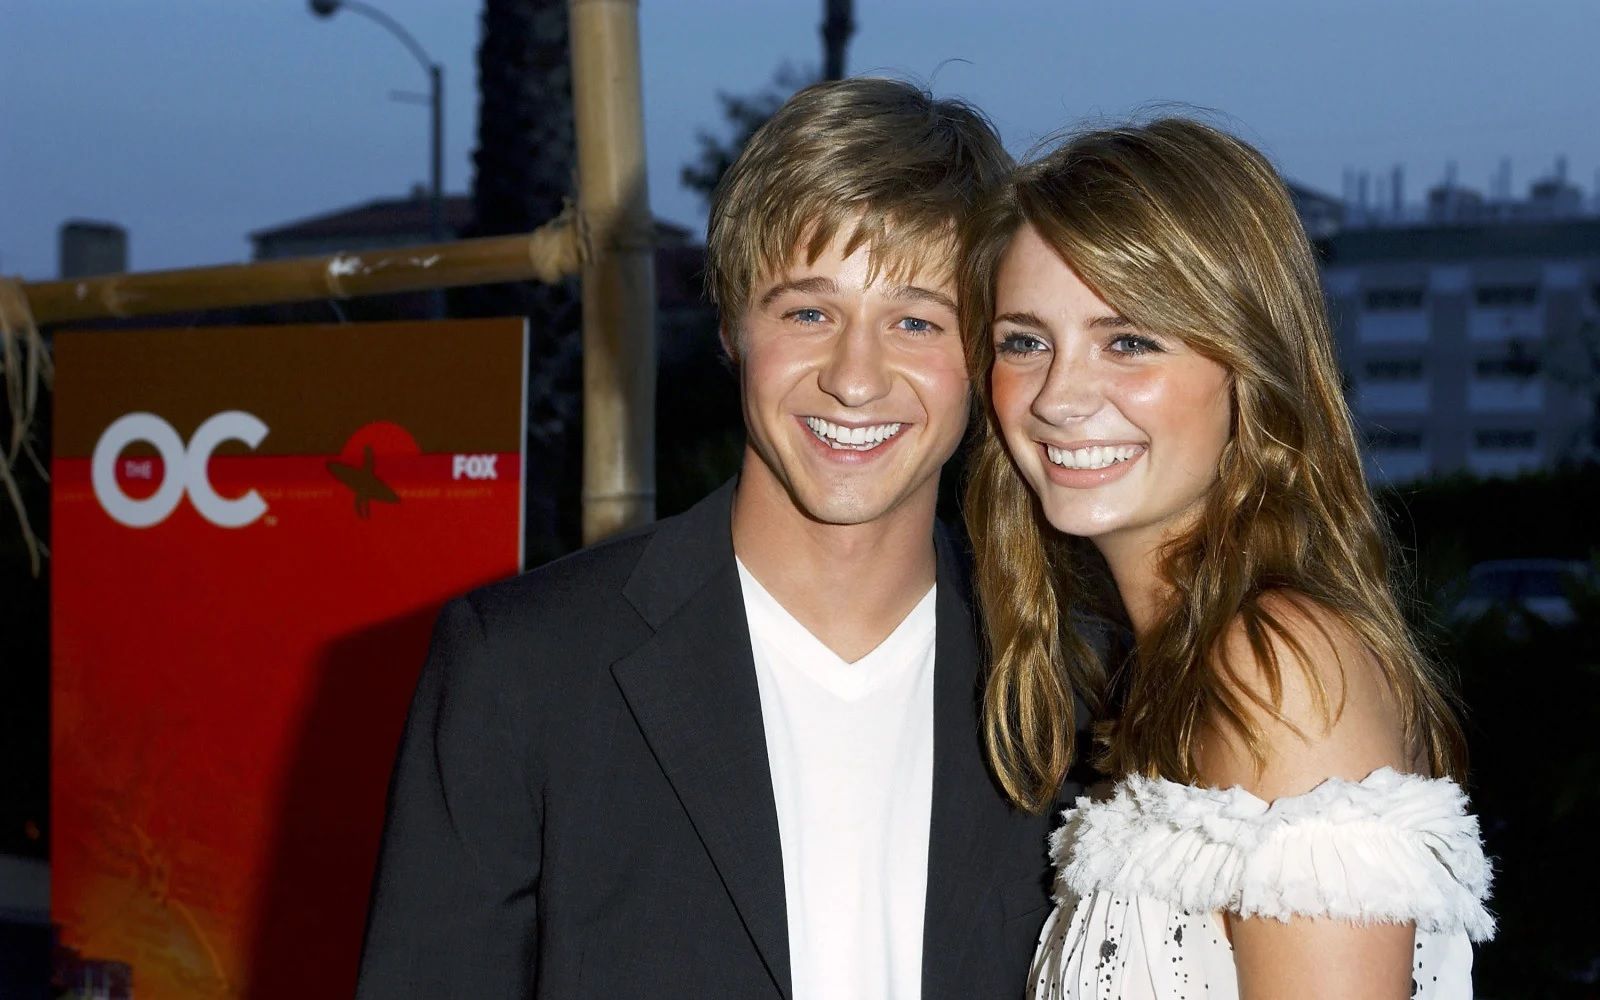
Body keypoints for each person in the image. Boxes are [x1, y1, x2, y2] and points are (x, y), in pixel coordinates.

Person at [355, 77, 1071, 1000]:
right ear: (733, 326)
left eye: (916, 321)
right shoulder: (522, 670)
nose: (856, 377)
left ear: (983, 354)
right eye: (808, 312)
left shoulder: (1076, 675)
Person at [958, 118, 1495, 999]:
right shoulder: (1168, 667)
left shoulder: (1280, 669)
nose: (1059, 395)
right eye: (1025, 341)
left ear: (1249, 364)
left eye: (1129, 340)